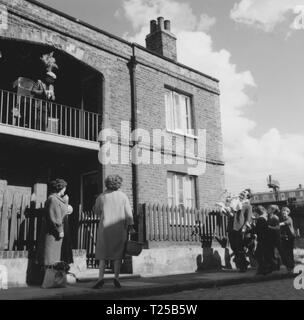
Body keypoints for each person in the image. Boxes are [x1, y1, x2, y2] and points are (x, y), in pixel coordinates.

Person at [93, 175, 135, 289]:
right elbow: (128, 214)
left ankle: (100, 279)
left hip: (105, 228)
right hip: (119, 229)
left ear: (107, 183)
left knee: (102, 255)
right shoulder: (123, 196)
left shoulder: (101, 197)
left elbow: (96, 212)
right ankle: (116, 278)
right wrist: (131, 226)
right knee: (117, 255)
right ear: (118, 184)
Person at [37, 179, 69, 268]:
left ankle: (51, 279)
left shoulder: (58, 199)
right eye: (64, 188)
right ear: (60, 188)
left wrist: (66, 202)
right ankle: (48, 280)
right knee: (50, 258)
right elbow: (56, 217)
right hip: (53, 234)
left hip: (55, 234)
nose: (65, 190)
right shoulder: (53, 199)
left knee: (54, 259)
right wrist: (60, 230)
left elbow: (63, 213)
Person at [231, 189, 253, 272]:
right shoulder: (236, 204)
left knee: (240, 247)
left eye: (244, 193)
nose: (242, 193)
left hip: (240, 229)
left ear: (247, 196)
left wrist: (244, 228)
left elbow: (248, 218)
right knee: (234, 247)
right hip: (233, 228)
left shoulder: (248, 206)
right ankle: (243, 263)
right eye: (242, 192)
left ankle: (243, 266)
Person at [278, 207, 295, 273]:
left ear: (288, 213)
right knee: (285, 252)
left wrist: (277, 224)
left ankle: (291, 266)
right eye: (282, 212)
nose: (283, 213)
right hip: (283, 237)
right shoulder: (281, 218)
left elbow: (284, 223)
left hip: (290, 237)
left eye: (285, 212)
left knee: (289, 252)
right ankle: (288, 266)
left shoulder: (289, 218)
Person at [254, 205, 270, 274]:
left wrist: (250, 230)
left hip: (262, 240)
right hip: (265, 239)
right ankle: (263, 269)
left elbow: (258, 230)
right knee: (262, 254)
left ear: (257, 212)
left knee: (258, 254)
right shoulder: (263, 218)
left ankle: (263, 269)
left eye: (254, 212)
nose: (254, 214)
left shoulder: (260, 219)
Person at [266, 205, 281, 273]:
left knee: (275, 252)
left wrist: (269, 227)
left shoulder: (275, 217)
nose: (267, 209)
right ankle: (274, 266)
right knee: (271, 252)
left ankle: (277, 266)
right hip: (270, 237)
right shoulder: (269, 217)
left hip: (275, 237)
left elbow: (278, 227)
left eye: (269, 209)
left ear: (272, 210)